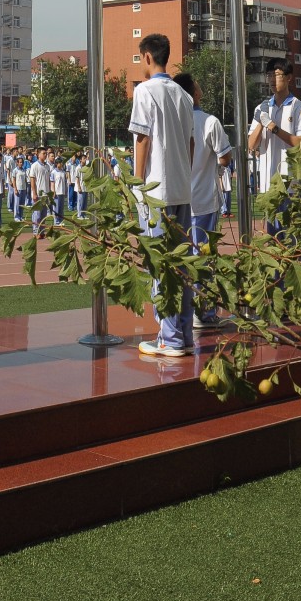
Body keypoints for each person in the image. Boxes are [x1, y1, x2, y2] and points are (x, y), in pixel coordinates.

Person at [129, 34, 195, 358]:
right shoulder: (183, 96)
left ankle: (169, 337)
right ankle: (183, 331)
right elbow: (191, 144)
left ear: (146, 57)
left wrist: (136, 182)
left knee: (160, 265)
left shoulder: (144, 91)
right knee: (180, 263)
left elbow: (142, 139)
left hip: (156, 191)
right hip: (182, 189)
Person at [175, 72, 233, 331]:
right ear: (194, 93)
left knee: (182, 258)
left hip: (178, 201)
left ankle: (181, 312)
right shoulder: (209, 121)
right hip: (203, 201)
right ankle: (205, 312)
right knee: (204, 259)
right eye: (198, 85)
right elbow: (225, 157)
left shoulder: (175, 121)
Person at [247, 60, 301, 241]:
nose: (271, 80)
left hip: (292, 185)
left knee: (294, 240)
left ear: (289, 78)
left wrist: (275, 128)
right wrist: (262, 122)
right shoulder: (262, 108)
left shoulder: (299, 107)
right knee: (275, 241)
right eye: (269, 75)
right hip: (270, 187)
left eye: (276, 75)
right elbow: (251, 145)